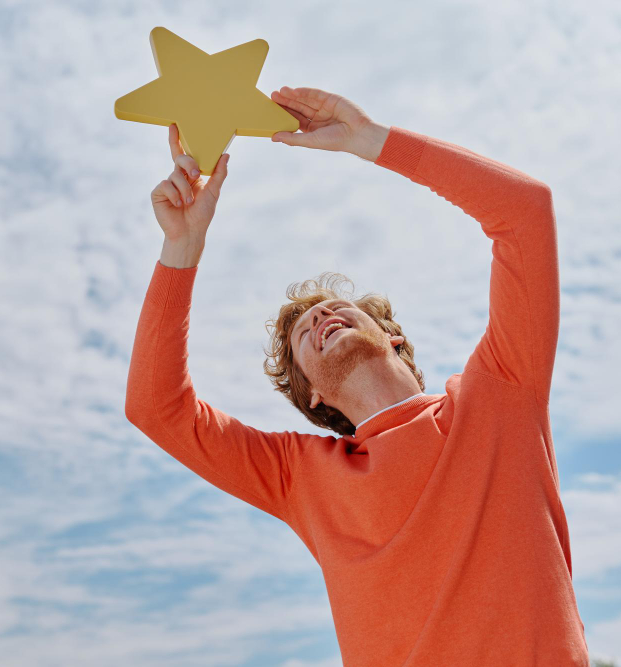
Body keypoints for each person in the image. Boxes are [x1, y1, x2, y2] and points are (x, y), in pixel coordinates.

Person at [125, 86, 590, 666]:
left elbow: (524, 213)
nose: (320, 315)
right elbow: (156, 408)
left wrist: (372, 141)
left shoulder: (500, 393)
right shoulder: (302, 479)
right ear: (313, 395)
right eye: (302, 337)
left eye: (337, 309)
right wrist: (182, 246)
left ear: (393, 336)